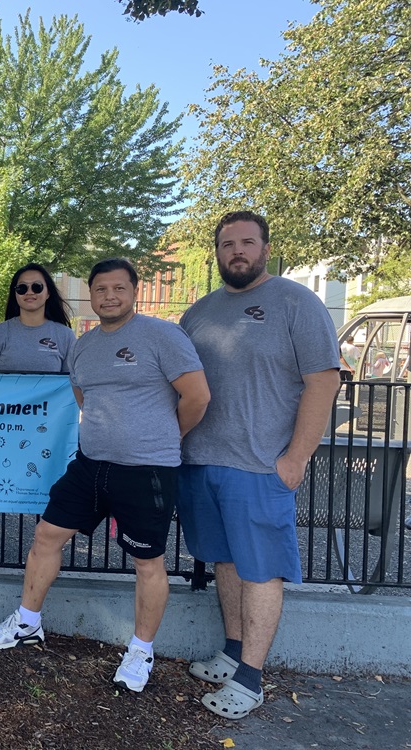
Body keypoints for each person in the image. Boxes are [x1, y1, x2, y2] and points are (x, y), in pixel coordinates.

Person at [0, 258, 210, 694]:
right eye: (101, 289)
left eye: (118, 288)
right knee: (46, 535)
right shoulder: (83, 345)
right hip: (90, 465)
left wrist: (164, 436)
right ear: (91, 295)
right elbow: (82, 396)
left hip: (147, 470)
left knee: (147, 561)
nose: (109, 296)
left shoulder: (162, 335)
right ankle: (27, 623)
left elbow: (197, 397)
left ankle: (140, 651)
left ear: (134, 291)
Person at [179, 210, 339, 719]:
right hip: (201, 462)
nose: (238, 251)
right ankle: (232, 652)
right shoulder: (198, 314)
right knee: (225, 562)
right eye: (228, 244)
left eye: (247, 242)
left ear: (266, 248)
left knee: (261, 570)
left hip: (261, 467)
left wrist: (296, 457)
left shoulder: (296, 302)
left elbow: (324, 381)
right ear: (217, 252)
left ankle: (250, 679)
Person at [0, 263, 75, 372]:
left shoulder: (65, 336)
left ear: (48, 293)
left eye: (37, 287)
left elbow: (71, 380)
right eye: (22, 288)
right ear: (15, 294)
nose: (29, 292)